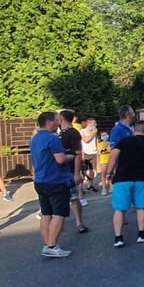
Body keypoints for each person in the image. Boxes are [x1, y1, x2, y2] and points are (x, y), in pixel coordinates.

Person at [30, 111, 75, 258]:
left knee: (46, 213)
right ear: (49, 122)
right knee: (59, 213)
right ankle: (52, 245)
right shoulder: (53, 138)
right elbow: (60, 159)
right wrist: (72, 156)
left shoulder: (35, 138)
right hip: (55, 180)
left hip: (40, 180)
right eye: (57, 120)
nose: (58, 123)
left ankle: (47, 243)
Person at [106, 119, 144, 246]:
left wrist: (109, 173)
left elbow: (113, 156)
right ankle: (141, 234)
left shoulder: (124, 141)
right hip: (141, 178)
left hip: (122, 178)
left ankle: (118, 237)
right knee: (141, 207)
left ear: (133, 130)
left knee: (120, 209)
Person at [58, 110, 89, 233]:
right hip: (62, 170)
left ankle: (79, 223)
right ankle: (60, 223)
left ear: (62, 119)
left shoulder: (72, 133)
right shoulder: (62, 133)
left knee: (74, 198)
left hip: (69, 171)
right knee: (63, 198)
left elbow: (77, 153)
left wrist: (76, 173)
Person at [80, 119, 99, 190]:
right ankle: (81, 187)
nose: (96, 125)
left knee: (92, 170)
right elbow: (86, 140)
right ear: (89, 123)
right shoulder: (82, 131)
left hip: (93, 152)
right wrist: (92, 133)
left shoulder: (95, 131)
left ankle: (90, 185)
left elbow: (95, 140)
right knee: (83, 171)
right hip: (85, 152)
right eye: (94, 123)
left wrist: (97, 150)